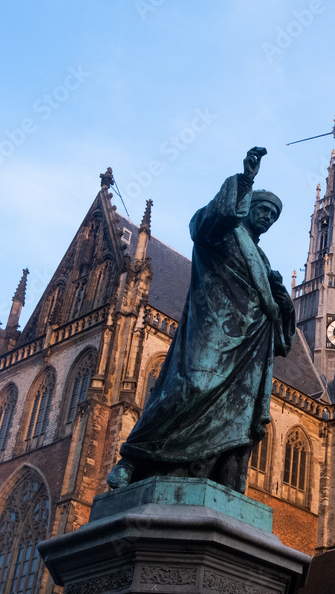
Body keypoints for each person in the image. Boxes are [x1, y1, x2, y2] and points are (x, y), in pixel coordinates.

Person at [106, 147, 295, 493]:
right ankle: (132, 458)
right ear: (247, 207)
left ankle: (217, 485)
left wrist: (284, 303)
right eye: (263, 210)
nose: (268, 218)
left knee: (237, 418)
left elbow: (280, 330)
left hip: (248, 352)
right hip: (212, 330)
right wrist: (246, 179)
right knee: (189, 386)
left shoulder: (265, 262)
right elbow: (205, 224)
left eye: (274, 215)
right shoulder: (224, 231)